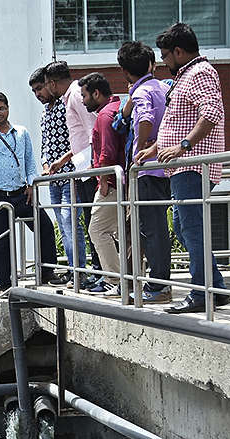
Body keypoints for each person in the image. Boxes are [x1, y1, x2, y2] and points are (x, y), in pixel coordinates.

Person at [136, 23, 230, 314]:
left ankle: (202, 292)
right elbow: (177, 121)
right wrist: (154, 149)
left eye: (166, 55)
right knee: (184, 225)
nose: (164, 62)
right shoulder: (187, 75)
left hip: (194, 164)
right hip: (182, 166)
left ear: (179, 51)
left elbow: (211, 113)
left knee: (190, 226)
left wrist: (184, 147)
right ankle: (216, 288)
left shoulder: (201, 73)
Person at [0, 92, 62, 292]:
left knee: (44, 226)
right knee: (1, 242)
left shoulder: (21, 132)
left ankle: (47, 271)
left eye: (1, 108)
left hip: (21, 193)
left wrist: (30, 185)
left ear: (8, 108)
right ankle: (5, 284)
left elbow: (29, 161)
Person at [116, 41, 173, 304]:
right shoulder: (163, 87)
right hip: (165, 167)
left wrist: (146, 143)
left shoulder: (140, 94)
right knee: (158, 227)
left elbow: (145, 118)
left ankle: (158, 285)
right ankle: (159, 282)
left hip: (147, 169)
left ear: (125, 72)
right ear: (151, 64)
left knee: (152, 229)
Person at [45, 61, 100, 288]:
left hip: (89, 169)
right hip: (80, 166)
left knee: (92, 223)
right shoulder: (71, 97)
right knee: (89, 222)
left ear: (52, 83)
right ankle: (95, 272)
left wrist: (92, 167)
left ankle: (97, 273)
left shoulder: (76, 95)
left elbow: (92, 132)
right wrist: (64, 160)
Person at [30, 66, 86, 280]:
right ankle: (73, 270)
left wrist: (63, 161)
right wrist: (46, 164)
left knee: (70, 221)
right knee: (62, 226)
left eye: (40, 88)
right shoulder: (45, 112)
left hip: (71, 173)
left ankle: (78, 271)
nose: (38, 94)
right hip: (53, 178)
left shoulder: (67, 103)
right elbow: (45, 145)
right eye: (34, 91)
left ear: (50, 84)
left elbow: (79, 138)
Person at [78, 72, 126, 296]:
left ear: (96, 93)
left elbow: (107, 153)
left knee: (97, 230)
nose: (83, 100)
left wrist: (104, 182)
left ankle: (115, 280)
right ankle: (123, 279)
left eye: (85, 95)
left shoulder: (105, 116)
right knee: (121, 233)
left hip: (111, 184)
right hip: (119, 181)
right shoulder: (116, 107)